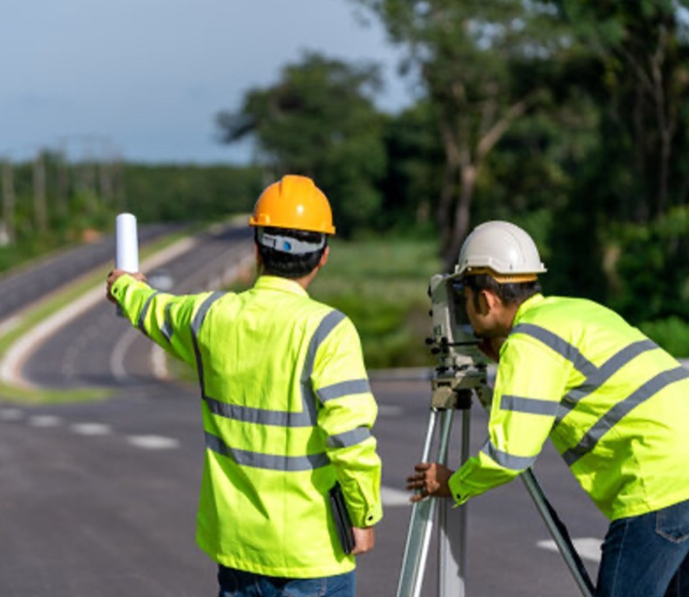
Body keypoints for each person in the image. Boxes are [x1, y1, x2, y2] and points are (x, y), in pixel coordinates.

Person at [107, 175, 383, 597]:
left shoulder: (210, 317)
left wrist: (124, 285)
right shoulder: (330, 332)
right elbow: (349, 438)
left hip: (237, 551)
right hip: (313, 556)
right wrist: (363, 516)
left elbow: (153, 310)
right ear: (323, 255)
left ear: (256, 248)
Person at [406, 220, 689, 597]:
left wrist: (453, 484)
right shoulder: (570, 312)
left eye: (463, 295)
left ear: (487, 299)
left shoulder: (529, 343)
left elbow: (510, 455)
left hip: (658, 487)